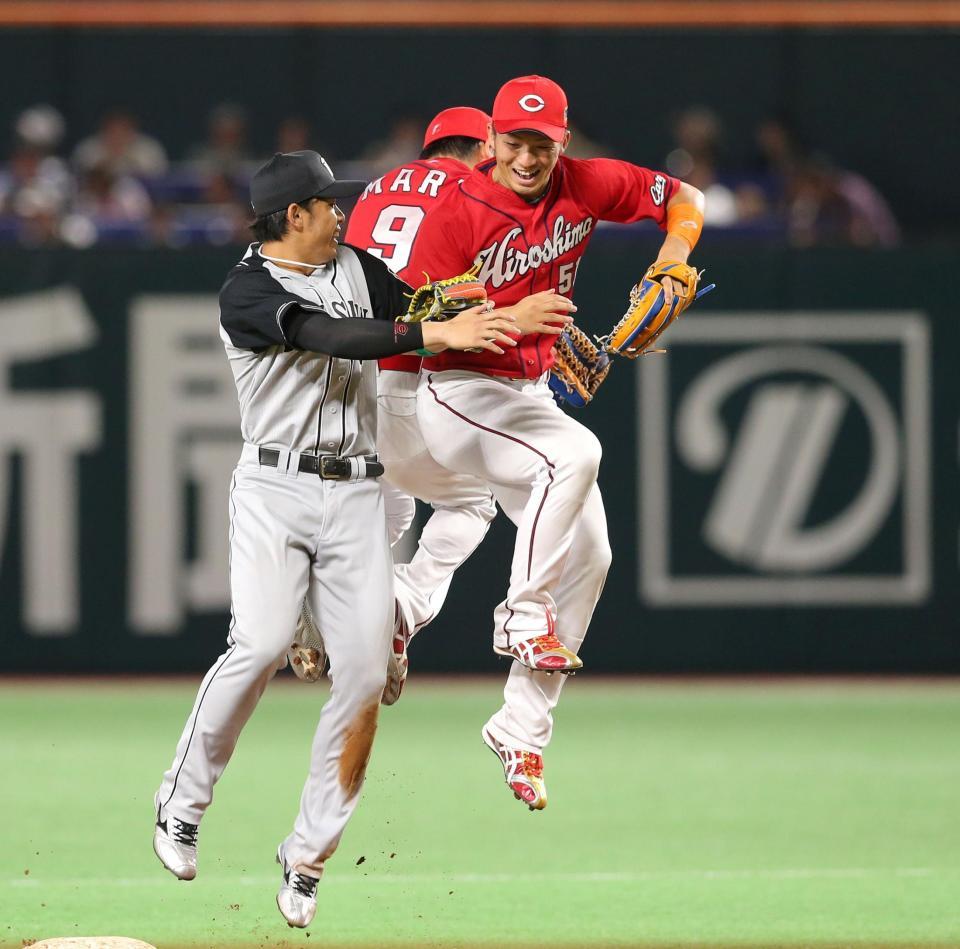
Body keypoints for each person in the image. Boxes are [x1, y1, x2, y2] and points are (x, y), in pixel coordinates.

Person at [151, 149, 519, 929]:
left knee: (363, 670)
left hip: (357, 490)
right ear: (293, 216)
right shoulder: (248, 289)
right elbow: (339, 336)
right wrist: (435, 328)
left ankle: (308, 856)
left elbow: (433, 297)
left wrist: (513, 321)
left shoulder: (359, 264)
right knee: (258, 643)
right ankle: (181, 801)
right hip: (275, 489)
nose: (342, 213)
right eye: (328, 204)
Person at [405, 76, 706, 808]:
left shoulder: (585, 183)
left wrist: (672, 256)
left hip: (526, 397)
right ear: (493, 141)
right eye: (515, 142)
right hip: (456, 393)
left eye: (542, 143)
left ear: (561, 141)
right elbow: (410, 316)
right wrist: (508, 314)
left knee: (593, 554)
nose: (529, 157)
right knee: (576, 453)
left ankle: (521, 728)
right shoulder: (459, 206)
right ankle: (520, 611)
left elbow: (684, 200)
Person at [342, 106, 575, 704]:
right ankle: (402, 604)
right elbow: (471, 297)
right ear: (484, 150)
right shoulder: (475, 191)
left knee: (385, 503)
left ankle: (334, 601)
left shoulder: (372, 189)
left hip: (350, 381)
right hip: (414, 382)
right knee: (471, 504)